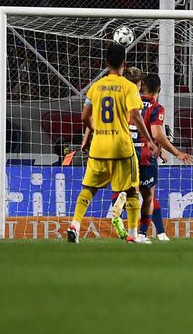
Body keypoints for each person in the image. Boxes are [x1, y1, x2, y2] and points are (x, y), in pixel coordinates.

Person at [67, 44, 158, 244]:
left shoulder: (95, 87)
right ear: (124, 65)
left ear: (106, 63)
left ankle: (74, 224)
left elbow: (84, 117)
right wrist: (150, 142)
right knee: (132, 191)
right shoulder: (128, 86)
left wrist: (96, 131)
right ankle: (133, 234)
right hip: (121, 147)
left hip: (99, 146)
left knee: (89, 188)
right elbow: (135, 115)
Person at [132, 73, 193, 243]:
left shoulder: (131, 103)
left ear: (142, 86)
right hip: (145, 155)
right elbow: (157, 134)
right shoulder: (156, 107)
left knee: (137, 194)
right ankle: (143, 234)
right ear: (159, 89)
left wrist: (159, 149)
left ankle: (160, 233)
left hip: (127, 153)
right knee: (148, 196)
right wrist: (177, 153)